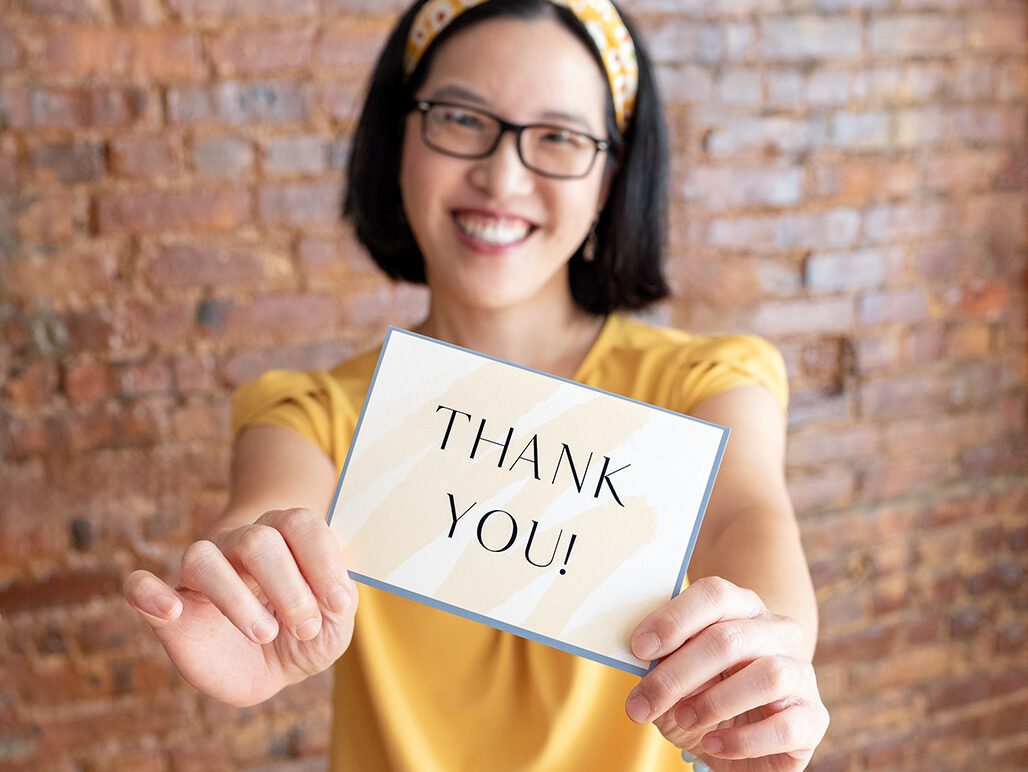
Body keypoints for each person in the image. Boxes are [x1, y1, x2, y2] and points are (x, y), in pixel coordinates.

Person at [124, 1, 829, 769]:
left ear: (609, 177)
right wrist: (246, 594)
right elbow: (270, 517)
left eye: (558, 137)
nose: (502, 174)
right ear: (400, 138)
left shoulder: (707, 383)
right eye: (461, 118)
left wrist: (767, 672)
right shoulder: (312, 413)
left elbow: (745, 523)